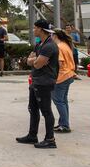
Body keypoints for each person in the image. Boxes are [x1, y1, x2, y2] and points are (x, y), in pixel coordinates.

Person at [17, 20, 59, 149]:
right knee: (33, 108)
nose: (33, 30)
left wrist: (35, 61)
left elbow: (37, 63)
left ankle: (50, 139)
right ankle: (32, 135)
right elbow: (31, 61)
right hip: (36, 80)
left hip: (44, 82)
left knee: (46, 111)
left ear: (41, 29)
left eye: (35, 28)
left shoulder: (49, 46)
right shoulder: (39, 44)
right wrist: (35, 60)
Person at [51, 30, 76, 133]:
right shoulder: (66, 45)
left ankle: (65, 125)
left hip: (62, 76)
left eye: (52, 35)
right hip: (69, 74)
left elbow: (59, 63)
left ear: (55, 36)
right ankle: (63, 123)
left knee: (58, 101)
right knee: (63, 101)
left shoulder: (59, 47)